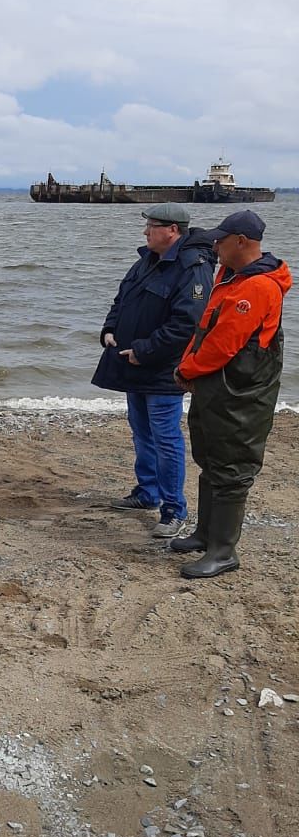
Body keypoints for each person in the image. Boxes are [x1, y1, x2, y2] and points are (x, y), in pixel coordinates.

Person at [171, 210, 292, 579]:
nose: (215, 245)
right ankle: (207, 533)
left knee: (231, 466)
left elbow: (225, 344)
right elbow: (207, 327)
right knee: (212, 457)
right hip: (220, 386)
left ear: (242, 242)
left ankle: (223, 551)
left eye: (222, 239)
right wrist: (189, 362)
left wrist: (188, 369)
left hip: (242, 392)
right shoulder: (231, 277)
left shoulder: (256, 287)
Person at [92, 203, 215, 537]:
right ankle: (148, 492)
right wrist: (109, 328)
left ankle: (174, 510)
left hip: (163, 370)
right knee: (141, 431)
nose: (145, 231)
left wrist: (145, 351)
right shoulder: (146, 260)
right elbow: (121, 300)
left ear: (172, 230)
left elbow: (186, 325)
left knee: (166, 438)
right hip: (133, 364)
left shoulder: (193, 268)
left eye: (151, 226)